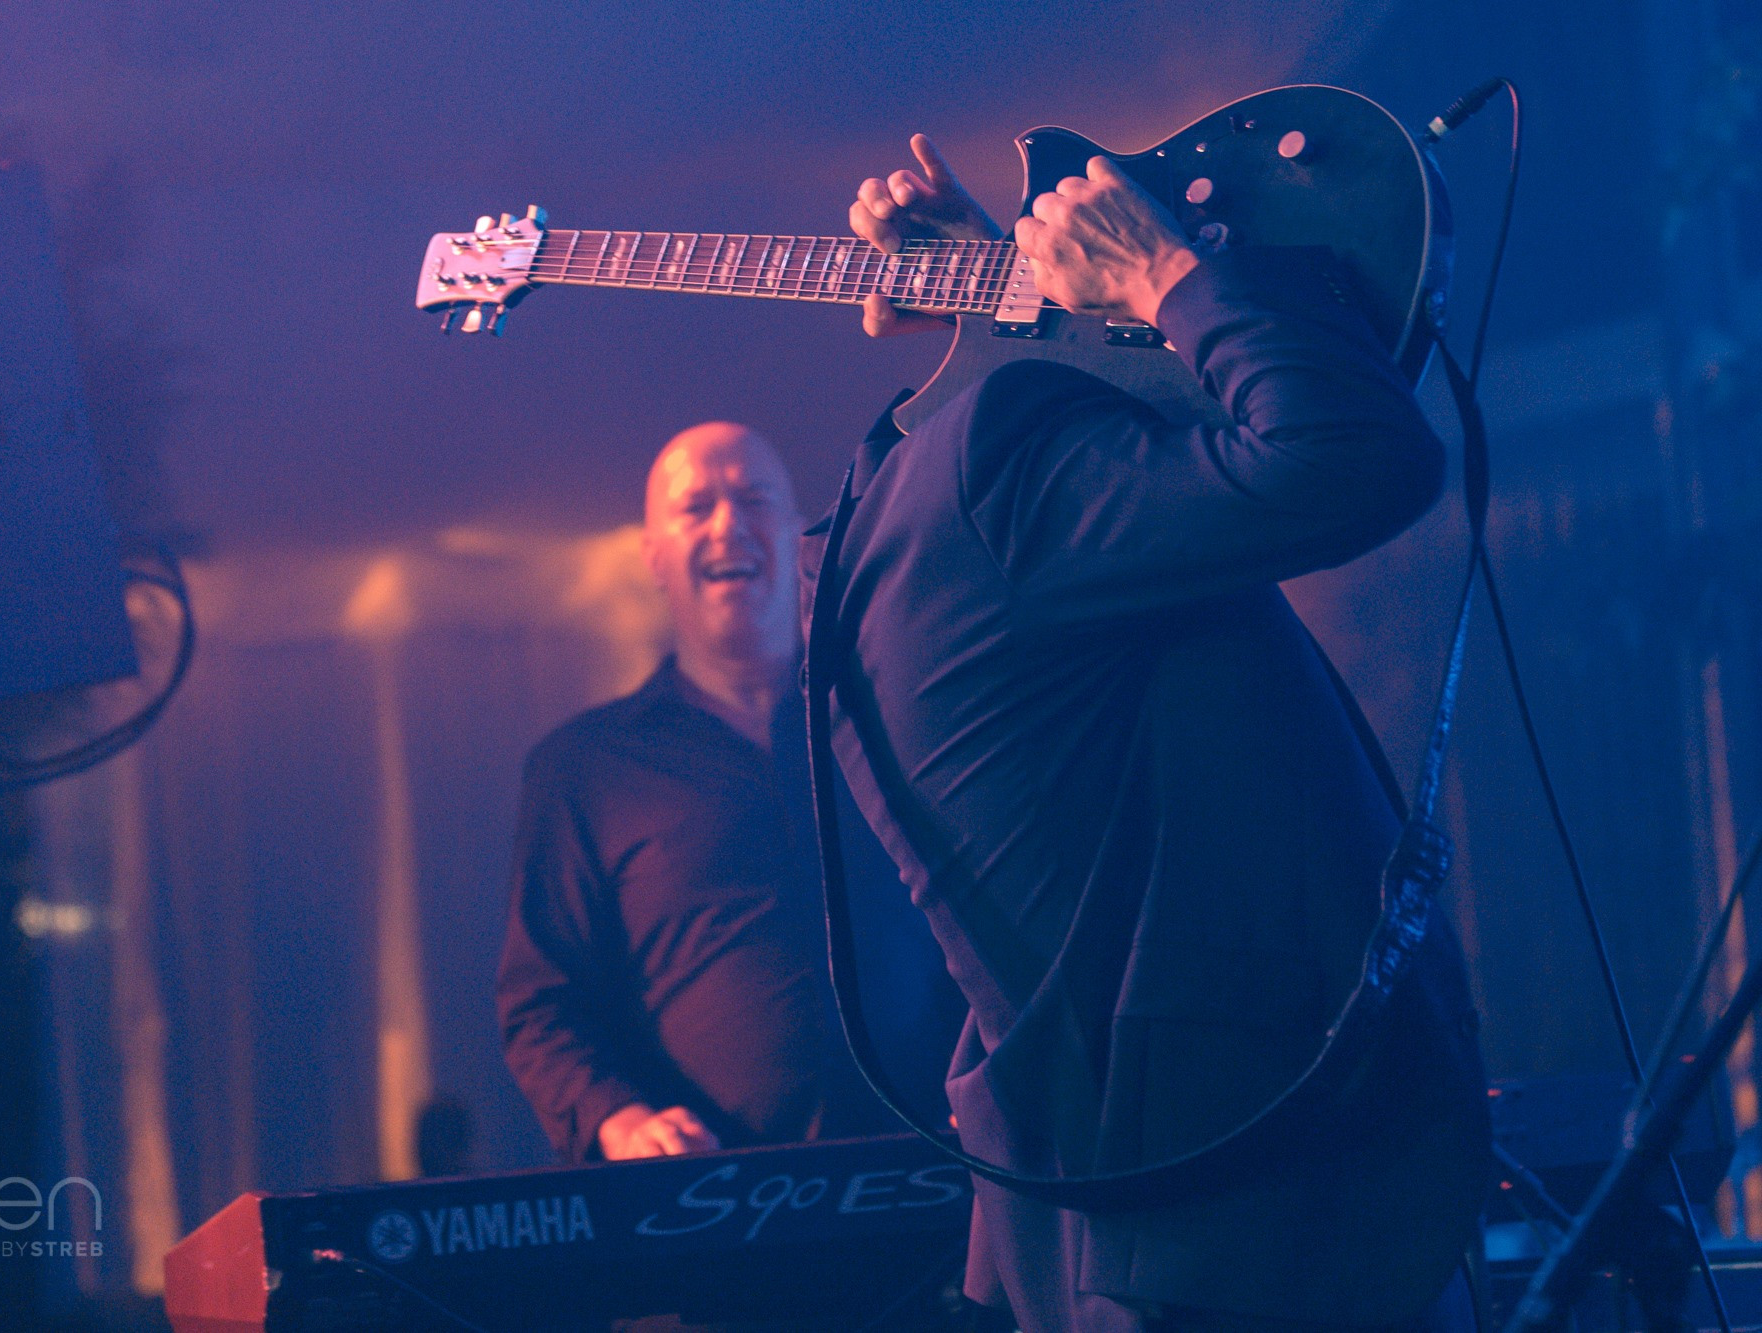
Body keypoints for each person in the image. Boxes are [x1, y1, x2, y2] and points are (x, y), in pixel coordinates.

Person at [800, 136, 1492, 1330]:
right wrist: (1168, 274)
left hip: (1145, 1220)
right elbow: (1354, 453)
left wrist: (1010, 295)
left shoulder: (910, 525)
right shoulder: (1000, 472)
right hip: (1260, 1224)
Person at [497, 422, 961, 1164]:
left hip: (947, 1172)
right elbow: (542, 1003)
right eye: (696, 506)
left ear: (794, 531)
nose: (727, 524)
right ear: (653, 555)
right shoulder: (584, 767)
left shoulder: (892, 721)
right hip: (716, 1204)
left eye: (753, 499)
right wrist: (620, 1121)